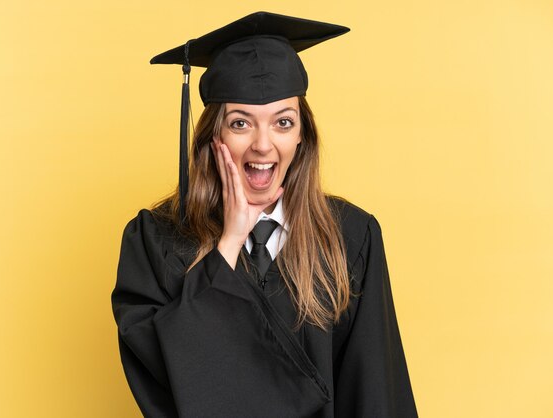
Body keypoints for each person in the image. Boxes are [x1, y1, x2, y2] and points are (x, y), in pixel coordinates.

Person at [111, 11, 418, 418]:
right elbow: (164, 373)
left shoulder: (351, 236)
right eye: (240, 123)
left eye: (283, 122)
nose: (262, 145)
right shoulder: (156, 240)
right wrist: (228, 245)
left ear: (301, 134)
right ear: (212, 136)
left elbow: (376, 388)